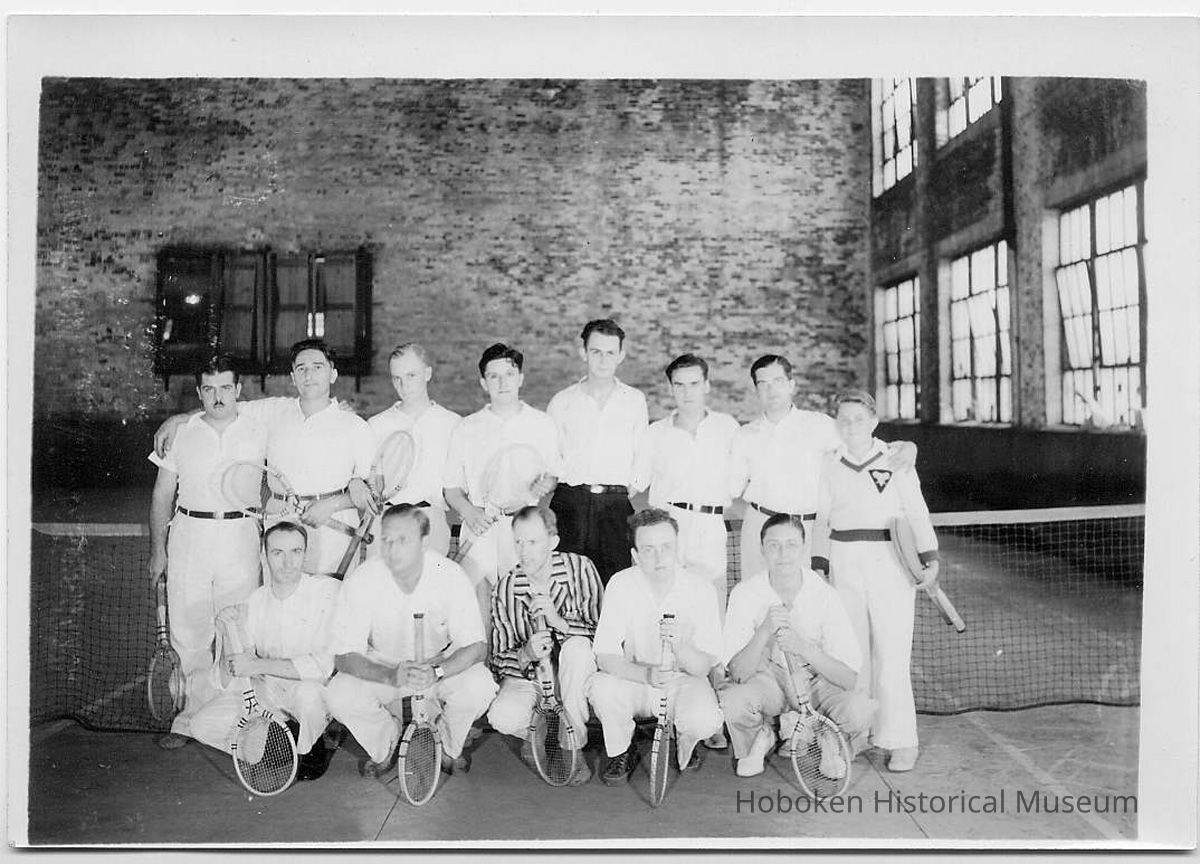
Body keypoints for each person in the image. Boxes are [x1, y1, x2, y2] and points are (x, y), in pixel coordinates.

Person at [154, 339, 375, 577]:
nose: (309, 374)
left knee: (329, 607)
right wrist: (179, 418)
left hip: (333, 530)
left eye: (317, 367)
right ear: (292, 377)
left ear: (333, 374)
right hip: (279, 524)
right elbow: (223, 406)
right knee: (280, 608)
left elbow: (371, 492)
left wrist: (331, 505)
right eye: (301, 368)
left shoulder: (356, 426)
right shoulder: (273, 411)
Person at [810, 390, 939, 773]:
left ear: (873, 421)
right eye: (844, 419)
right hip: (844, 560)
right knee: (852, 655)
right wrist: (820, 565)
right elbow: (822, 517)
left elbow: (916, 510)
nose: (851, 426)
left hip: (890, 564)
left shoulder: (895, 458)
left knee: (892, 654)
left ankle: (901, 740)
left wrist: (930, 557)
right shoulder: (829, 463)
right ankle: (855, 733)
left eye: (858, 419)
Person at [323, 505, 497, 777]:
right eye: (387, 539)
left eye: (403, 539)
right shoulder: (363, 577)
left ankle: (449, 744)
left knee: (481, 685)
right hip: (384, 666)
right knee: (339, 694)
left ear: (424, 541)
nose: (392, 549)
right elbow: (344, 656)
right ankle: (386, 741)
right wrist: (391, 675)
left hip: (438, 665)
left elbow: (476, 646)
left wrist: (437, 672)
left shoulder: (450, 574)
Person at [148, 355, 266, 750]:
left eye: (226, 388)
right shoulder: (181, 432)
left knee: (236, 633)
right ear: (199, 393)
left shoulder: (259, 428)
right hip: (189, 537)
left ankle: (236, 719)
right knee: (190, 633)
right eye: (209, 389)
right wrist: (157, 551)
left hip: (240, 537)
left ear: (239, 391)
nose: (218, 397)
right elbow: (162, 493)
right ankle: (187, 720)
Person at [730, 355, 915, 580]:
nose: (771, 390)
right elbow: (731, 487)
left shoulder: (820, 425)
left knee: (810, 603)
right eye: (763, 384)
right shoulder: (744, 435)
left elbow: (862, 446)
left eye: (778, 381)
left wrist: (907, 447)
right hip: (760, 526)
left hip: (808, 529)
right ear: (756, 390)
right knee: (758, 597)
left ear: (791, 385)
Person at [719, 513, 876, 778]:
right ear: (762, 549)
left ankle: (829, 739)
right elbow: (737, 673)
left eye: (791, 545)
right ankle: (761, 737)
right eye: (774, 545)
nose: (783, 554)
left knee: (860, 710)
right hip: (768, 680)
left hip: (816, 680)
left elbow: (849, 678)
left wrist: (804, 647)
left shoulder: (825, 595)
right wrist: (764, 631)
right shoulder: (745, 593)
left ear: (803, 549)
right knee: (733, 700)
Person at [186, 522, 341, 781]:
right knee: (200, 725)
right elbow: (226, 680)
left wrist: (258, 665)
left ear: (306, 554)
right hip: (268, 694)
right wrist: (227, 633)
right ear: (263, 556)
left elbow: (323, 667)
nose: (287, 562)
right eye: (277, 553)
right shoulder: (255, 601)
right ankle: (290, 743)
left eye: (295, 552)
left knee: (309, 696)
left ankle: (313, 742)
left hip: (311, 688)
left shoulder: (326, 591)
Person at [586, 508, 724, 785]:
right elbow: (605, 656)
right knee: (600, 687)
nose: (660, 558)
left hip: (682, 681)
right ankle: (621, 749)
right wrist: (647, 676)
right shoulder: (620, 584)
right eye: (649, 550)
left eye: (666, 547)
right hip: (636, 679)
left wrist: (680, 647)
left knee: (706, 720)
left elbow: (702, 666)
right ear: (635, 555)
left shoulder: (701, 589)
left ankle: (686, 739)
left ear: (677, 547)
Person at [443, 343, 560, 625]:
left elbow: (553, 476)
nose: (502, 382)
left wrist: (546, 485)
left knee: (521, 604)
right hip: (480, 525)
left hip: (523, 528)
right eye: (493, 376)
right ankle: (481, 667)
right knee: (477, 604)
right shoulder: (467, 427)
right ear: (483, 382)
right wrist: (470, 512)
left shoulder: (541, 423)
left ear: (520, 378)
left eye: (509, 374)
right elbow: (451, 489)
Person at [486, 506, 603, 786]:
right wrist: (526, 653)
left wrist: (558, 621)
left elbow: (603, 634)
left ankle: (571, 746)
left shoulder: (581, 567)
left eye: (533, 542)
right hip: (532, 679)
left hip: (575, 676)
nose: (524, 551)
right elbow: (499, 658)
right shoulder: (506, 587)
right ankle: (534, 734)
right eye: (518, 542)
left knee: (577, 650)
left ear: (553, 542)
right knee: (501, 716)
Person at [546, 319, 650, 584]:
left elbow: (643, 453)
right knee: (566, 580)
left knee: (614, 583)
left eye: (610, 353)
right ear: (584, 353)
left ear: (621, 356)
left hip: (614, 507)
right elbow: (550, 455)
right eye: (596, 352)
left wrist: (627, 490)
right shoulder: (563, 401)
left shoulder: (634, 400)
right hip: (570, 503)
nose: (603, 360)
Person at [637, 353, 740, 617]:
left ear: (706, 385)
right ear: (670, 388)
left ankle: (713, 657)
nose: (687, 392)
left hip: (710, 524)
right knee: (668, 600)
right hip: (669, 523)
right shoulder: (656, 433)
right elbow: (635, 482)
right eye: (679, 385)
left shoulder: (727, 428)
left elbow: (742, 478)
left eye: (694, 384)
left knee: (711, 601)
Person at [366, 343, 462, 557]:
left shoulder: (453, 424)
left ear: (427, 373)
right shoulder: (376, 424)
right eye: (396, 378)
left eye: (411, 376)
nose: (404, 385)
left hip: (431, 522)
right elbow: (373, 481)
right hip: (387, 520)